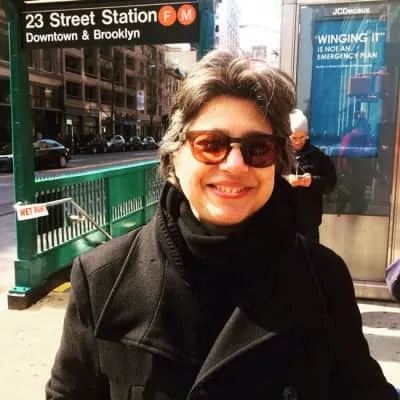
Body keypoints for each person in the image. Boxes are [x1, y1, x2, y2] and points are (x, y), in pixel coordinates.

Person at [46, 49, 397, 399]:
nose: (234, 165)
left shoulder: (323, 277)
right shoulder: (103, 278)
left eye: (258, 148)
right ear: (173, 157)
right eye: (211, 144)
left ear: (277, 163)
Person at [286, 109, 337, 242]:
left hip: (309, 225)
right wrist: (287, 180)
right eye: (294, 138)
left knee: (310, 254)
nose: (298, 142)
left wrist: (312, 181)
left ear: (307, 135)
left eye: (302, 137)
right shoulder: (280, 155)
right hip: (284, 222)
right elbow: (267, 180)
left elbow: (331, 182)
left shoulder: (318, 156)